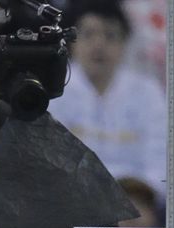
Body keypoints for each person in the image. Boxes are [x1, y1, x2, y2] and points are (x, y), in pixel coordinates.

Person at [49, 0, 167, 194]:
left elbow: (160, 165)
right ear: (71, 43)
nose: (99, 45)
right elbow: (50, 162)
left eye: (110, 35)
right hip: (72, 201)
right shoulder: (55, 91)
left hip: (135, 202)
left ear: (124, 43)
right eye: (88, 34)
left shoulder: (148, 93)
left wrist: (141, 197)